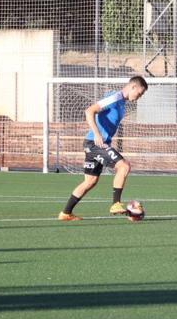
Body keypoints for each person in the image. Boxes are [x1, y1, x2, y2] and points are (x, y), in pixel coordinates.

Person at [58, 76, 149, 220]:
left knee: (90, 181)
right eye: (139, 93)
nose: (139, 97)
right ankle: (115, 204)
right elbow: (89, 111)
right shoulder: (115, 98)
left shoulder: (120, 102)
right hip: (95, 144)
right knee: (124, 166)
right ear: (133, 87)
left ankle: (65, 213)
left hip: (94, 144)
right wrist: (97, 134)